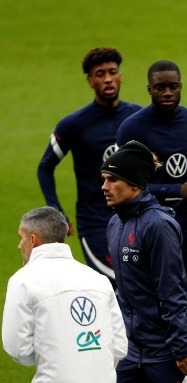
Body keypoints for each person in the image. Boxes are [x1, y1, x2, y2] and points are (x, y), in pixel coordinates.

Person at [101, 140, 187, 383]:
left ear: (134, 183)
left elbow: (172, 290)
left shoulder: (158, 225)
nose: (104, 186)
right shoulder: (115, 224)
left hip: (167, 348)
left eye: (112, 179)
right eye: (104, 179)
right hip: (133, 349)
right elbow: (124, 292)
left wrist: (180, 348)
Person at [116, 59, 187, 362]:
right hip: (148, 228)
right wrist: (178, 190)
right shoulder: (133, 128)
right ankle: (150, 366)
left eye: (172, 86)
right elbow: (126, 184)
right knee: (157, 309)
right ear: (149, 89)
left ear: (180, 86)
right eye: (160, 87)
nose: (167, 92)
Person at [2, 206, 128, 383]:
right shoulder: (98, 279)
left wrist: (55, 350)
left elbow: (18, 350)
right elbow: (120, 347)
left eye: (21, 238)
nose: (19, 245)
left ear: (33, 240)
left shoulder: (23, 280)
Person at [37, 47, 142, 287]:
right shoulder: (74, 124)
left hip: (136, 218)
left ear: (120, 76)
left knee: (142, 288)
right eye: (100, 74)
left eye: (112, 72)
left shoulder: (137, 117)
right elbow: (45, 167)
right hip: (96, 224)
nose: (108, 78)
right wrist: (57, 211)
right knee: (117, 287)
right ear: (90, 81)